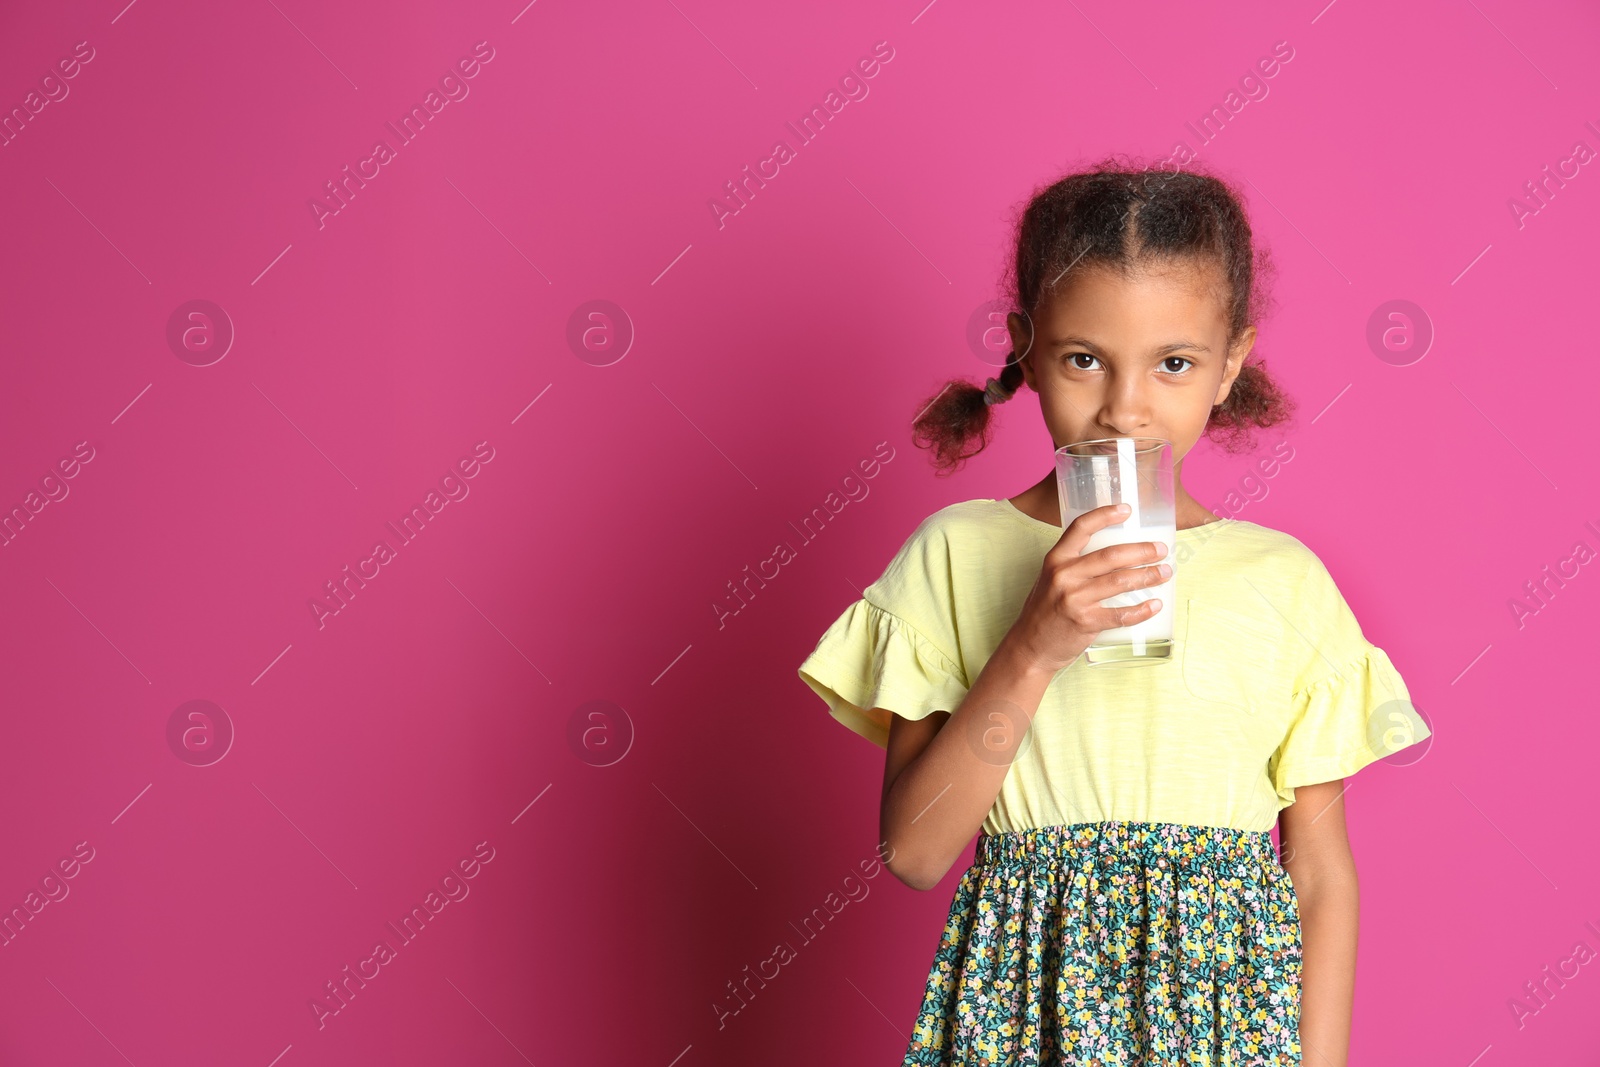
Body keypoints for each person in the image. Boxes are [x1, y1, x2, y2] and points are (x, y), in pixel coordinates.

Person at [795, 160, 1431, 1066]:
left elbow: (1322, 872)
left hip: (1230, 1025)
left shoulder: (1283, 581)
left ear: (1228, 366)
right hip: (1026, 1016)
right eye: (1084, 358)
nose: (1126, 409)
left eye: (1174, 363)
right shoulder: (954, 552)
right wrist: (1032, 646)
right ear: (1026, 348)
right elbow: (916, 851)